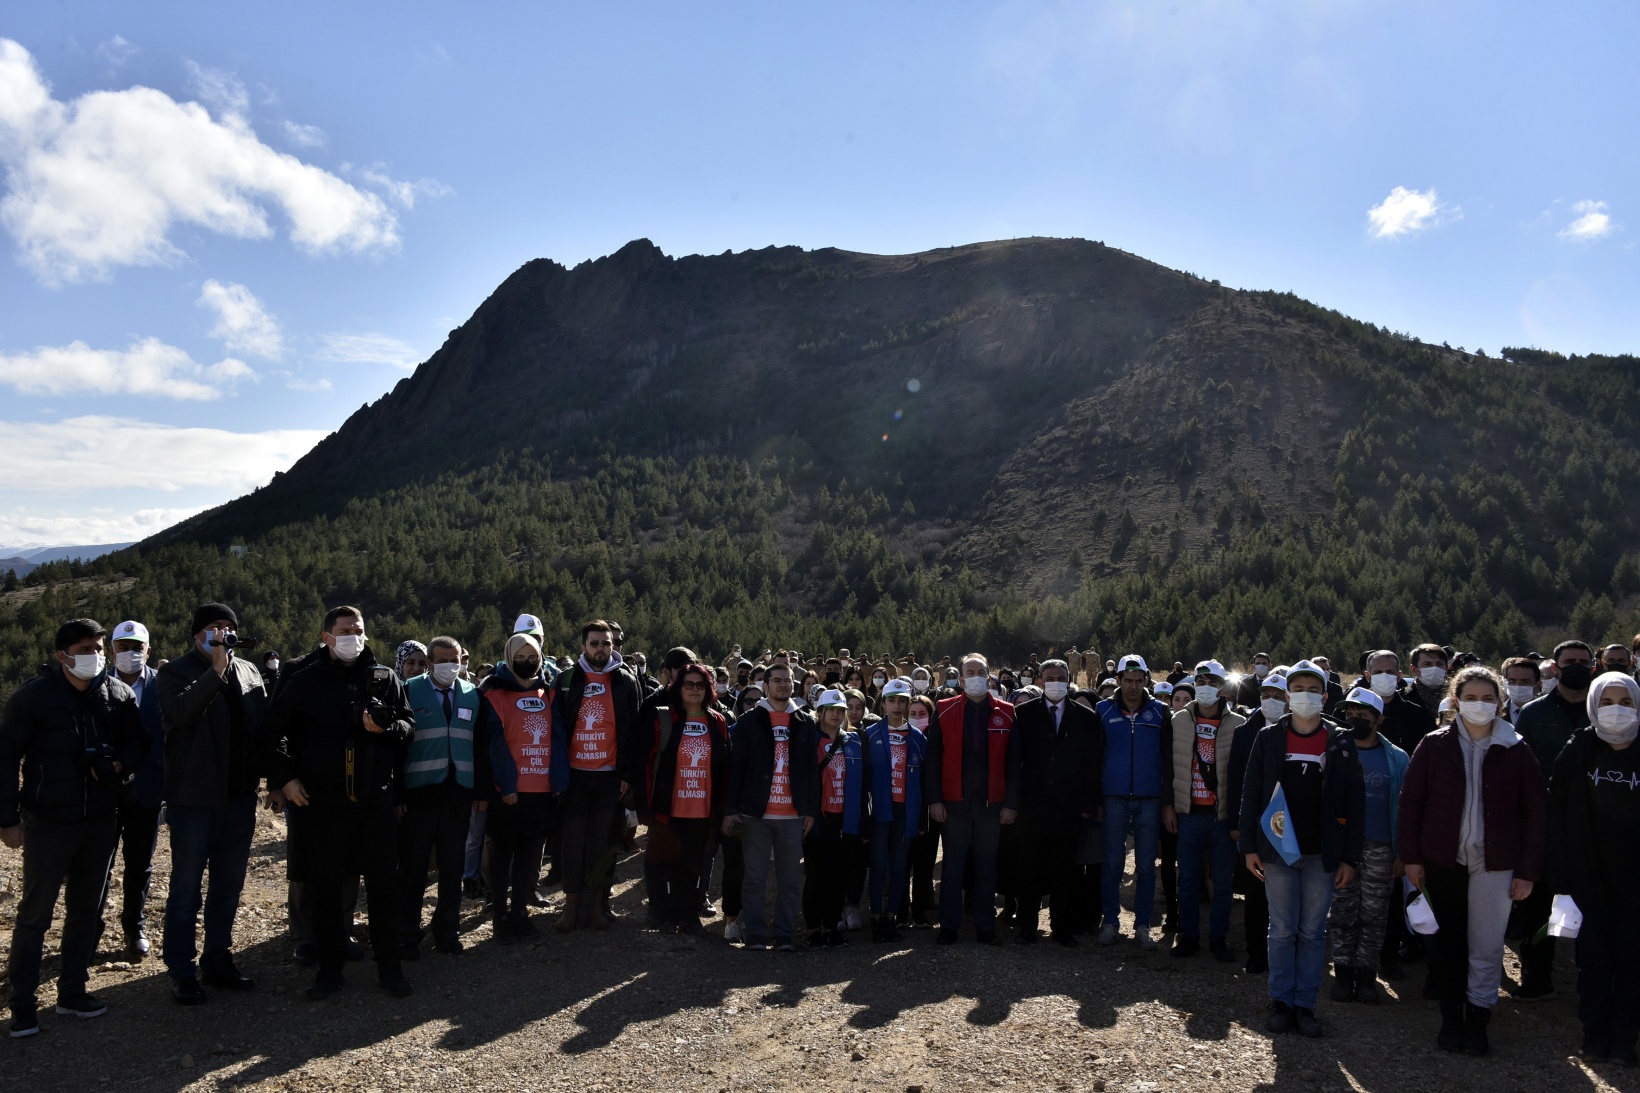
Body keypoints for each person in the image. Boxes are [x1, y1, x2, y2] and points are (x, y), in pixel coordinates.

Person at [1, 618, 148, 1037]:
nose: (96, 656)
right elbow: (6, 757)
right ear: (62, 655)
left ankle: (73, 992)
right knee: (35, 917)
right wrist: (7, 819)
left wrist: (119, 764)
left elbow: (139, 743)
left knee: (86, 912)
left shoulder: (116, 695)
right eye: (86, 648)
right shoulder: (33, 698)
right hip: (48, 821)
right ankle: (23, 1004)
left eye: (99, 648)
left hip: (100, 821)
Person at [265, 606, 415, 1000]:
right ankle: (329, 973)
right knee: (326, 890)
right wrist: (285, 778)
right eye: (345, 630)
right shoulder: (304, 682)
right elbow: (271, 733)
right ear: (327, 637)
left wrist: (385, 726)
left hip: (374, 801)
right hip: (323, 804)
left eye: (359, 629)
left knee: (383, 888)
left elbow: (407, 728)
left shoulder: (384, 678)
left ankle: (390, 970)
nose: (354, 636)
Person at [1400, 665, 1546, 1056]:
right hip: (1443, 860)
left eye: (1487, 698)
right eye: (1470, 697)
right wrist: (1411, 858)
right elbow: (1411, 804)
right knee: (1446, 944)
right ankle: (1451, 1016)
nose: (1478, 705)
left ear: (1499, 703)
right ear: (1456, 700)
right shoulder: (1434, 744)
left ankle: (1478, 1016)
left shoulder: (1516, 748)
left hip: (1495, 863)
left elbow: (1535, 812)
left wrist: (1528, 872)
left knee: (1486, 945)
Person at [1239, 660, 1363, 1039]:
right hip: (1278, 851)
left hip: (1322, 854)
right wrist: (1248, 846)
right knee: (1281, 930)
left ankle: (1305, 1004)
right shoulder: (1269, 737)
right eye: (1299, 689)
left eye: (1314, 689)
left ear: (1325, 696)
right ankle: (1280, 1001)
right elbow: (1251, 794)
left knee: (1312, 932)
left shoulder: (1341, 740)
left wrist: (1350, 857)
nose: (1305, 696)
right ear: (1288, 694)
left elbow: (1356, 802)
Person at [155, 603, 269, 1004]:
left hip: (239, 799)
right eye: (212, 628)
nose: (221, 634)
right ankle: (182, 970)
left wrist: (271, 780)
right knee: (186, 890)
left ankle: (218, 958)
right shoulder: (174, 672)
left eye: (228, 627)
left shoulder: (251, 671)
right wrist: (215, 670)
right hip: (193, 801)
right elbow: (181, 713)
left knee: (228, 886)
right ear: (196, 635)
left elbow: (262, 730)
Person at [1546, 670, 1640, 1065]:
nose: (1615, 711)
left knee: (1634, 964)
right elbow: (1557, 813)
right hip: (1589, 879)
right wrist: (1562, 877)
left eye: (1625, 702)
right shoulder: (1579, 749)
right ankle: (1594, 1036)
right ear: (1592, 704)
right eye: (1606, 701)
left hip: (1636, 882)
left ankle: (1625, 1040)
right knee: (1594, 963)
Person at [1512, 639, 1596, 1001]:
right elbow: (1522, 769)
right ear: (1555, 668)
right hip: (1546, 822)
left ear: (1594, 667)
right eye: (1569, 661)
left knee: (1594, 903)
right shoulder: (1533, 713)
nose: (1576, 666)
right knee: (1537, 905)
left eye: (1583, 661)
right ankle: (1536, 976)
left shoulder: (1607, 708)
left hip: (1598, 824)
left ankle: (1592, 981)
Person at [722, 662, 818, 952]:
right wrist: (730, 810)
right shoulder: (750, 721)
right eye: (776, 680)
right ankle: (754, 935)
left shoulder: (805, 721)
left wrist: (811, 810)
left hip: (793, 814)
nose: (783, 685)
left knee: (789, 881)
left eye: (788, 680)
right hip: (755, 814)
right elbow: (735, 768)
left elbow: (811, 771)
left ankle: (785, 936)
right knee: (754, 879)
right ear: (766, 685)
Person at [925, 653, 1019, 945]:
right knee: (952, 867)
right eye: (970, 672)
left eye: (981, 671)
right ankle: (949, 926)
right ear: (961, 679)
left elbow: (1014, 763)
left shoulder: (1007, 712)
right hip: (954, 805)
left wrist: (1011, 804)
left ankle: (985, 926)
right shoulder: (943, 709)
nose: (975, 676)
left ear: (989, 677)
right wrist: (935, 801)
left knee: (986, 868)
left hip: (992, 806)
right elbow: (933, 761)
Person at [553, 620, 640, 931]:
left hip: (609, 778)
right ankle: (572, 906)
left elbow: (633, 731)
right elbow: (556, 729)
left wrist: (627, 773)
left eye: (606, 643)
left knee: (603, 844)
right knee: (572, 843)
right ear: (583, 646)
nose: (601, 649)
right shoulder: (566, 679)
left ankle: (598, 906)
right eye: (594, 643)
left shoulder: (626, 681)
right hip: (574, 777)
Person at [478, 633, 566, 943]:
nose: (527, 663)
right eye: (520, 657)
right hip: (509, 793)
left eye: (533, 657)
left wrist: (558, 781)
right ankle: (501, 917)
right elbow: (494, 745)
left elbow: (556, 739)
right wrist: (506, 785)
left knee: (529, 858)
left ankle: (520, 913)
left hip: (540, 791)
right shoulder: (493, 695)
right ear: (508, 656)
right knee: (502, 857)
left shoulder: (549, 695)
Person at [398, 636, 482, 957]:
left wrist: (480, 791)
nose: (451, 666)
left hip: (458, 793)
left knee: (452, 867)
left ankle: (446, 932)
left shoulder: (473, 694)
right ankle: (407, 935)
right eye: (443, 660)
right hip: (419, 795)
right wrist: (398, 795)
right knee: (413, 869)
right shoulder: (408, 690)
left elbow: (479, 744)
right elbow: (397, 749)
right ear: (430, 662)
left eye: (456, 660)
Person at [1325, 687, 1408, 1005]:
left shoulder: (1397, 759)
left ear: (1379, 719)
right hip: (1344, 846)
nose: (1355, 720)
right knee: (1343, 913)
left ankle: (1367, 975)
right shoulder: (1334, 750)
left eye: (1363, 715)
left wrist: (1401, 852)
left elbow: (1405, 808)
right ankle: (1343, 974)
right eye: (1350, 715)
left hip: (1381, 847)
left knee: (1374, 915)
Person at [634, 662, 729, 935]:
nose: (695, 689)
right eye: (689, 684)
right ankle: (664, 915)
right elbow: (646, 764)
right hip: (667, 808)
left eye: (700, 684)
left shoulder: (717, 721)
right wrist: (645, 807)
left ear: (708, 689)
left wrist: (721, 808)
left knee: (693, 865)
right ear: (679, 687)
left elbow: (724, 766)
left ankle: (689, 916)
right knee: (661, 863)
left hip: (701, 809)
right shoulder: (662, 718)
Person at [1012, 660, 1101, 946]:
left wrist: (1089, 802)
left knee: (1066, 873)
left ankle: (1062, 928)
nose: (1055, 682)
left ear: (1069, 680)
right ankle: (1027, 927)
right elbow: (1014, 762)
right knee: (1029, 871)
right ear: (1039, 681)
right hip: (1031, 807)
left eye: (1061, 678)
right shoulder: (1022, 714)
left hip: (1069, 808)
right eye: (1050, 678)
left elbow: (1092, 765)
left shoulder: (1086, 717)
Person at [1167, 660, 1244, 962]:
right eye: (1201, 681)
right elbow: (1167, 765)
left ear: (1223, 686)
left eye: (1213, 682)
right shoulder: (1178, 721)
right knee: (1187, 879)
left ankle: (1218, 938)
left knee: (1223, 882)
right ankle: (1189, 936)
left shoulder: (1238, 724)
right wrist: (1170, 807)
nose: (1206, 687)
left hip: (1221, 816)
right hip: (1188, 813)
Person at [1096, 655, 1171, 949]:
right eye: (1127, 680)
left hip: (1149, 800)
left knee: (1146, 866)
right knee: (1112, 864)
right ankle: (1111, 922)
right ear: (1119, 681)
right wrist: (1097, 799)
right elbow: (1095, 758)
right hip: (1113, 797)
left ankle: (1142, 926)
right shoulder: (1103, 710)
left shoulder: (1160, 712)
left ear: (1147, 680)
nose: (1133, 686)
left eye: (1139, 680)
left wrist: (1166, 802)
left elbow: (1166, 761)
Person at [105, 620, 164, 962]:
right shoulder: (95, 684)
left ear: (148, 650)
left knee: (139, 864)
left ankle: (134, 927)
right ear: (112, 650)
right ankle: (90, 929)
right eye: (123, 646)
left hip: (148, 789)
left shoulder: (162, 685)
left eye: (137, 647)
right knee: (100, 864)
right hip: (106, 792)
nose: (130, 653)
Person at [1227, 669, 1287, 975]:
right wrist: (1237, 823)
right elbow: (1236, 780)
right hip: (1254, 824)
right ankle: (1256, 952)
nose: (1272, 701)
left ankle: (1286, 953)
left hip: (1290, 825)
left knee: (1288, 894)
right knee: (1256, 893)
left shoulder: (1299, 730)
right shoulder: (1245, 731)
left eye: (1278, 697)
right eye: (1266, 696)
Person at [861, 678, 925, 941]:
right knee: (878, 865)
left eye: (902, 701)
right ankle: (876, 916)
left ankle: (892, 917)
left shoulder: (919, 738)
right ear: (883, 702)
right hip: (879, 813)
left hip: (906, 813)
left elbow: (924, 781)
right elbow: (863, 780)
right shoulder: (871, 733)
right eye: (891, 700)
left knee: (899, 867)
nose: (897, 706)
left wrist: (921, 819)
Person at [803, 689, 865, 948]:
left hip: (845, 819)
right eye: (832, 710)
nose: (837, 715)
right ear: (820, 712)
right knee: (816, 876)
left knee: (839, 878)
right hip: (818, 821)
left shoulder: (854, 741)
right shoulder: (808, 741)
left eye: (841, 710)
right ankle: (812, 929)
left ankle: (831, 927)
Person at [900, 692, 941, 928]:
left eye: (922, 714)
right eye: (912, 714)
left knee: (925, 864)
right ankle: (901, 910)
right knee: (903, 864)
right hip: (904, 810)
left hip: (930, 812)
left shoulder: (937, 739)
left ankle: (921, 910)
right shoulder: (899, 737)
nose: (917, 718)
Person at [1501, 657, 1542, 723]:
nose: (1518, 686)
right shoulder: (1496, 713)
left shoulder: (1549, 712)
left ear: (1538, 685)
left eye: (1525, 681)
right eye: (1512, 681)